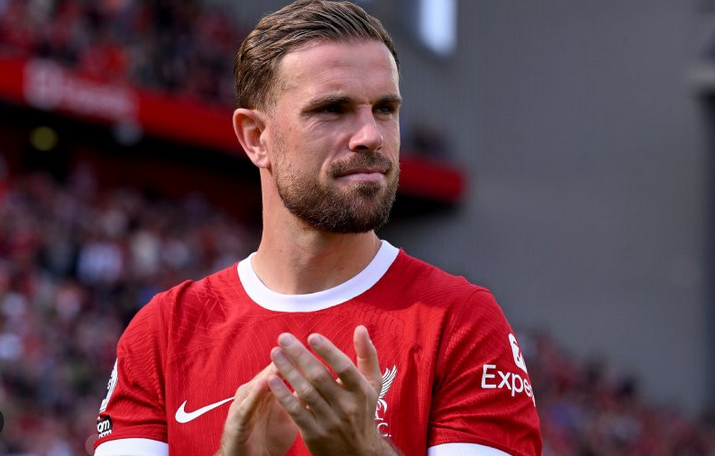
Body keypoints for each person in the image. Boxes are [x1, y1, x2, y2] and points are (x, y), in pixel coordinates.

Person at [93, 1, 542, 455]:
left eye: (385, 108)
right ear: (255, 138)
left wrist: (365, 451)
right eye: (333, 109)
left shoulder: (462, 323)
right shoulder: (164, 332)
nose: (371, 135)